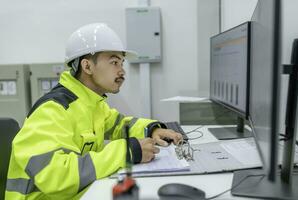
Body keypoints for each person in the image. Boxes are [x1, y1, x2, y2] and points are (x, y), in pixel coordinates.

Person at [5, 23, 182, 200]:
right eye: (114, 62)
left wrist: (152, 129)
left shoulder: (92, 104)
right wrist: (125, 152)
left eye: (121, 62)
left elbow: (120, 124)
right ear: (87, 66)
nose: (122, 71)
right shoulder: (52, 110)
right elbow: (56, 177)